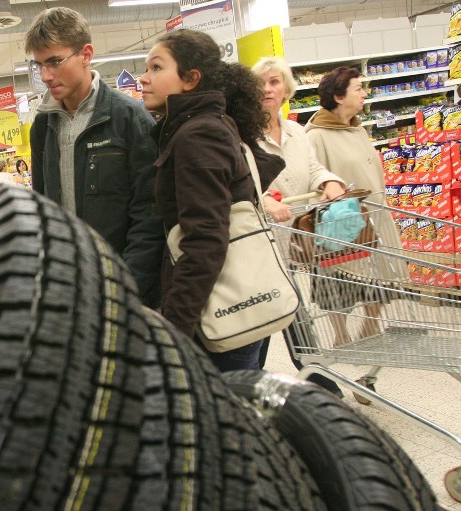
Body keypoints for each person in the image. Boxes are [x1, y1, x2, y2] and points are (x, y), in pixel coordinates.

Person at [138, 29, 285, 372]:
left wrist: (175, 329)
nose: (144, 79)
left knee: (221, 415)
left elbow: (205, 239)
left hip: (220, 312)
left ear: (191, 79)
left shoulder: (197, 135)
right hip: (236, 304)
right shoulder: (207, 125)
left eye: (156, 68)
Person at [25, 7, 164, 308]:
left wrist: (128, 290)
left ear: (86, 54)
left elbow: (150, 214)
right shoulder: (42, 126)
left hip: (124, 289)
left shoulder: (129, 119)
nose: (46, 75)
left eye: (54, 62)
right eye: (38, 65)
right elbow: (43, 204)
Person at [252, 56, 347, 396]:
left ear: (286, 89)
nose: (267, 88)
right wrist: (264, 200)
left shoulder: (296, 131)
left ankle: (303, 376)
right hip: (259, 242)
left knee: (286, 306)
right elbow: (240, 183)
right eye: (261, 82)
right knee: (271, 310)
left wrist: (330, 182)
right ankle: (313, 378)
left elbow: (313, 168)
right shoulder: (242, 135)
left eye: (275, 81)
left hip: (293, 239)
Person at [304, 66, 405, 347]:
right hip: (342, 223)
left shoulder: (358, 128)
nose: (364, 94)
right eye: (358, 89)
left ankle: (370, 327)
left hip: (374, 216)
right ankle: (340, 333)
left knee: (382, 277)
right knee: (338, 284)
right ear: (338, 96)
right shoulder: (316, 135)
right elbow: (313, 180)